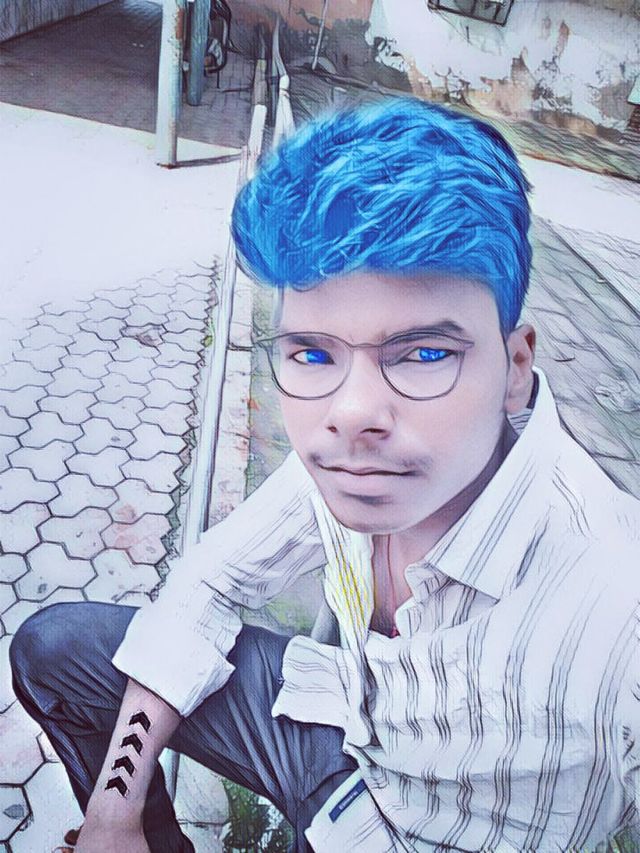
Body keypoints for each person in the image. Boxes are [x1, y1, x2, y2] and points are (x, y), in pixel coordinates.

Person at [10, 97, 640, 853]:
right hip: (335, 729)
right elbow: (210, 580)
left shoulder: (614, 602)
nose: (352, 412)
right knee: (53, 650)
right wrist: (115, 810)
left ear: (515, 366)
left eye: (424, 353)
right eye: (313, 352)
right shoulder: (352, 459)